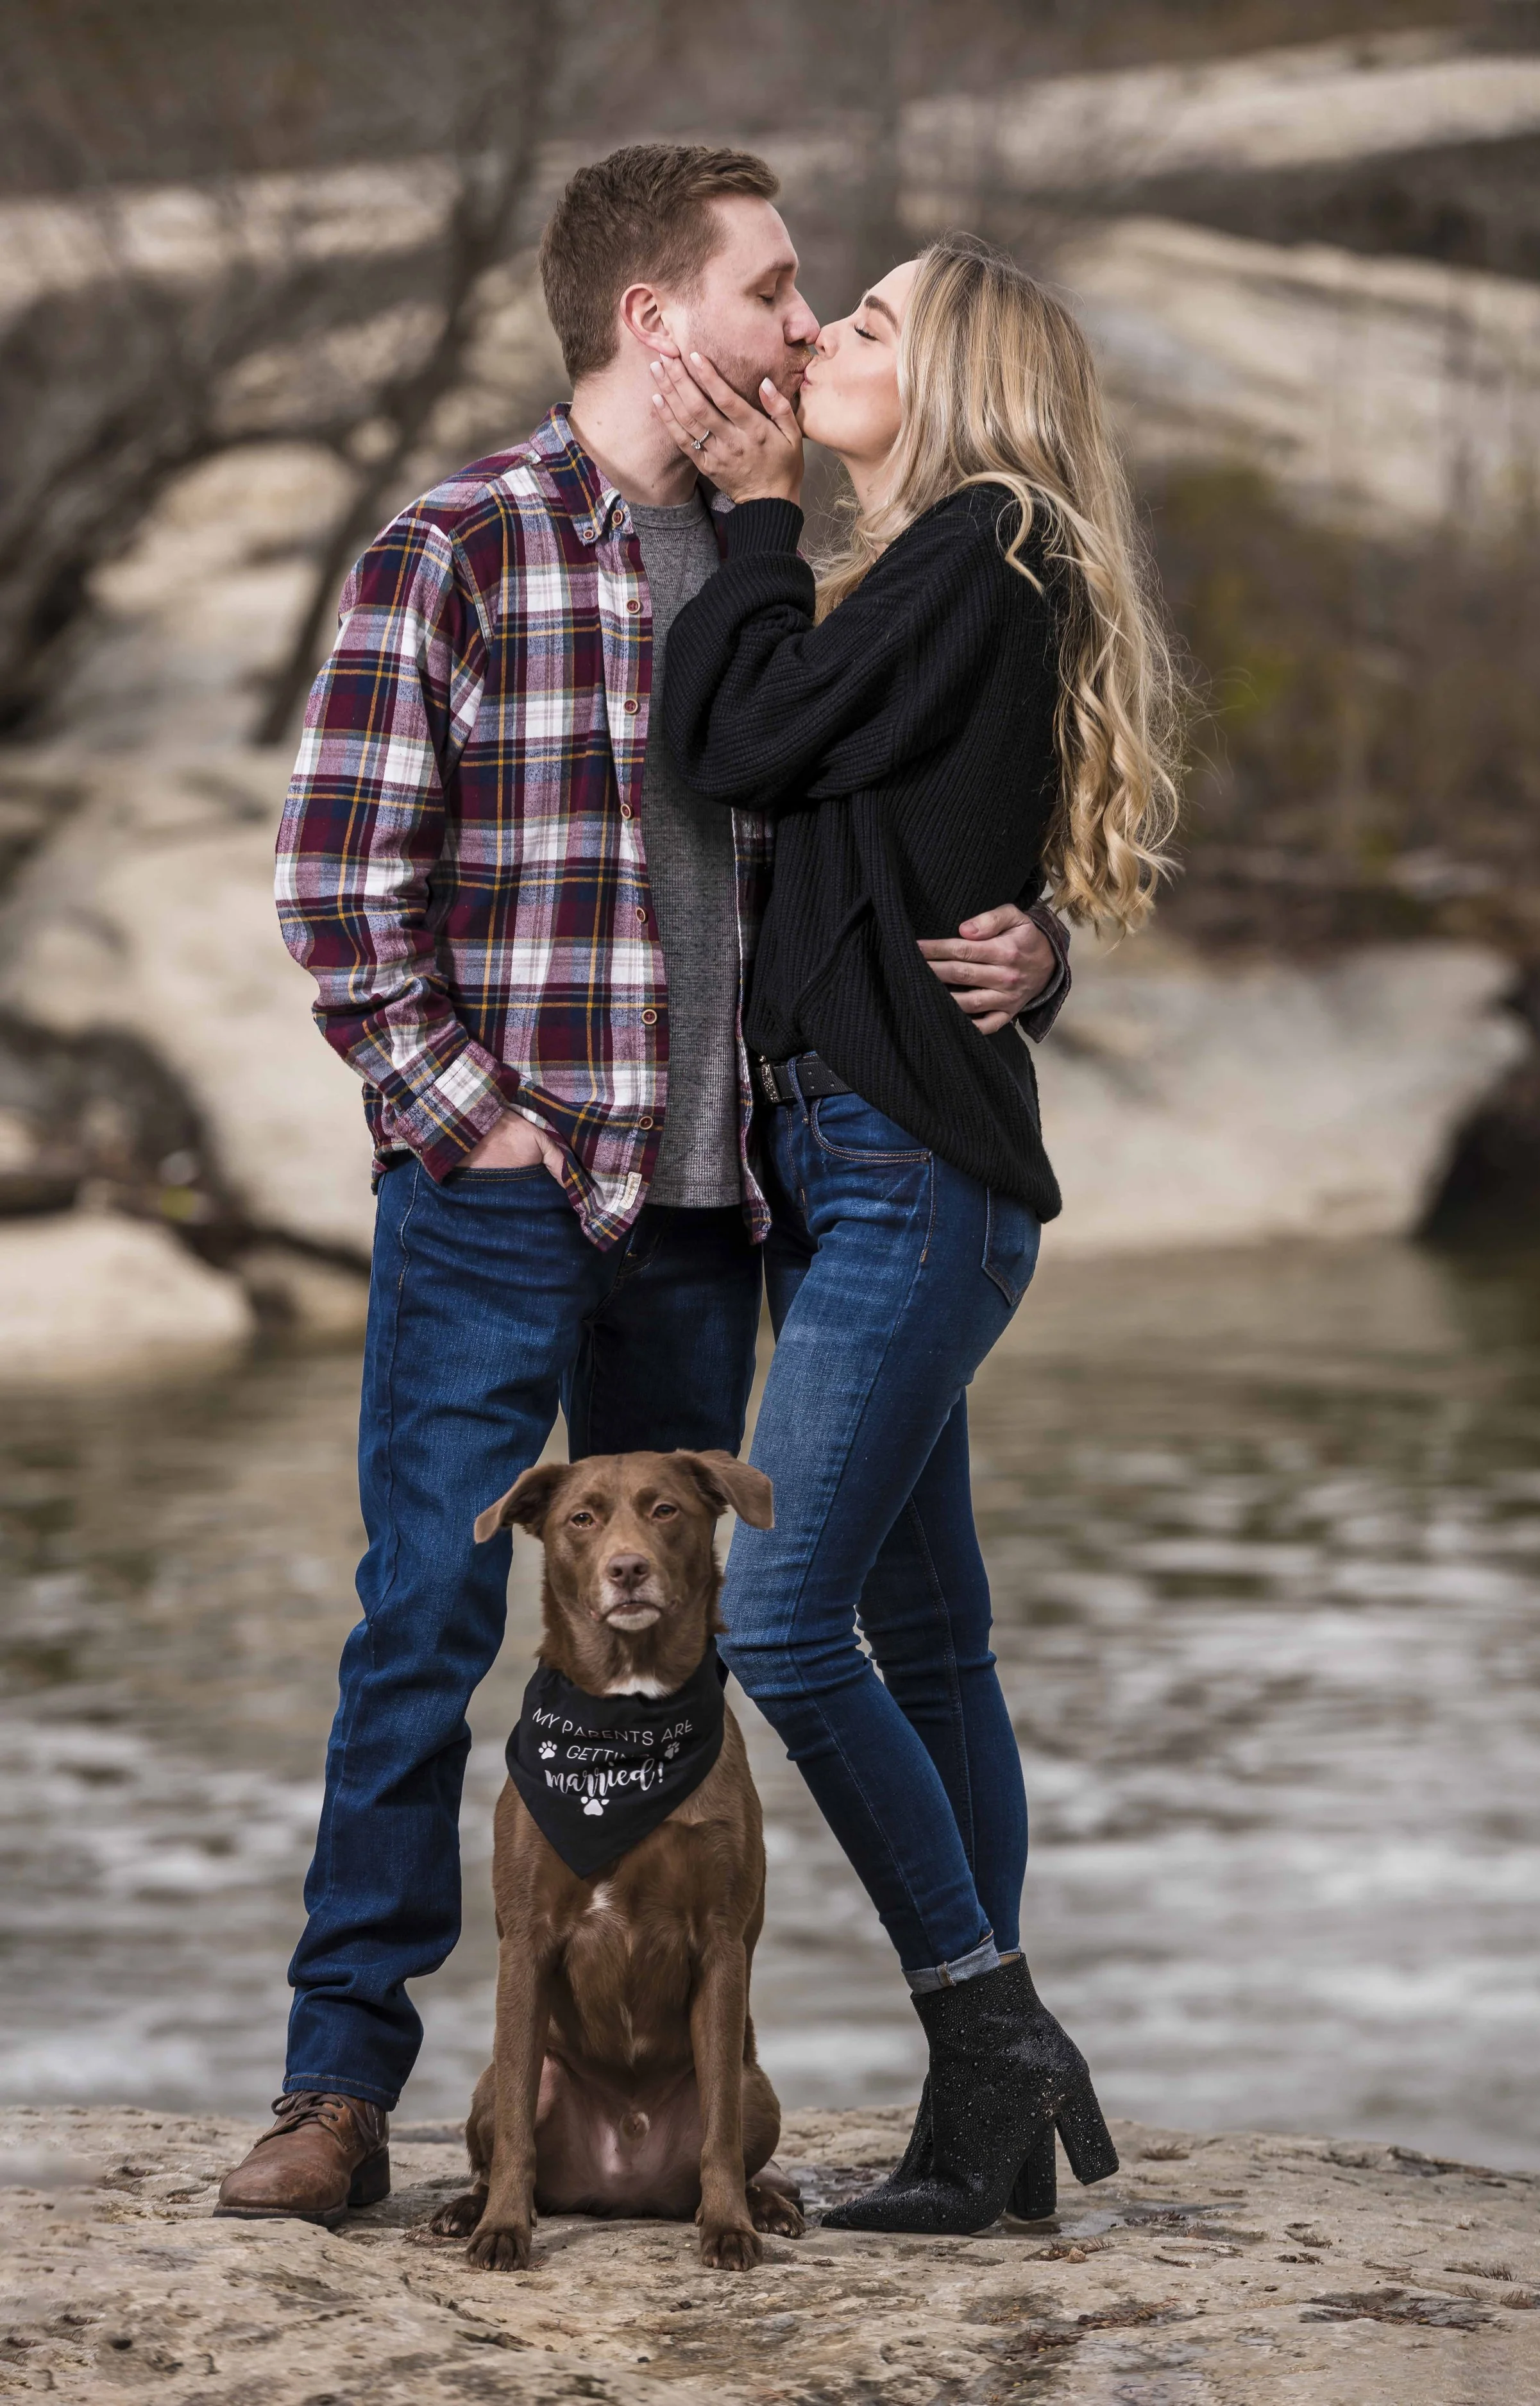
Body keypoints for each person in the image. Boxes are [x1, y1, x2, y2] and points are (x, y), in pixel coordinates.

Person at [217, 148, 1069, 2225]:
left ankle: (699, 2104)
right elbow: (337, 884)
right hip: (504, 1190)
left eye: (816, 304)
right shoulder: (457, 547)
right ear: (650, 319)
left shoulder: (795, 572)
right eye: (774, 292)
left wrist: (1037, 930)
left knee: (676, 1655)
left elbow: (908, 836)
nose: (799, 329)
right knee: (424, 1611)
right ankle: (340, 2086)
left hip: (723, 1210)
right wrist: (472, 1111)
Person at [653, 233, 1181, 2232]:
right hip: (859, 1166)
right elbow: (926, 852)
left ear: (957, 370)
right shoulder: (947, 571)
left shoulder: (982, 539)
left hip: (906, 1178)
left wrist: (755, 517)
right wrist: (1027, 948)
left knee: (782, 1620)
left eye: (861, 322)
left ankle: (986, 2022)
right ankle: (990, 2141)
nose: (818, 343)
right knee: (934, 1641)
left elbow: (740, 740)